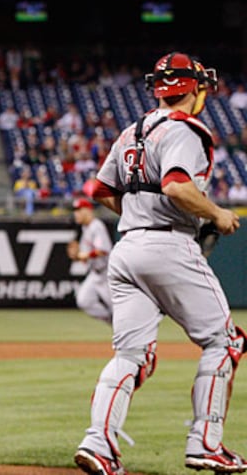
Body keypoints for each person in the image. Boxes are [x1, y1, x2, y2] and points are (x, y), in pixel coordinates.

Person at [75, 52, 245, 475]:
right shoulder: (186, 130)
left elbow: (100, 189)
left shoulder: (132, 131)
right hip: (168, 247)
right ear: (192, 88)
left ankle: (98, 444)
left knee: (130, 354)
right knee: (226, 343)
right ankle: (206, 443)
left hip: (127, 248)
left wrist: (138, 217)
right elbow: (175, 186)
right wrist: (216, 214)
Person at [66, 197, 113, 324]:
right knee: (84, 300)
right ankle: (113, 322)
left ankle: (125, 328)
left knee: (116, 308)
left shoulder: (96, 226)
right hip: (94, 273)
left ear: (88, 210)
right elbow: (85, 256)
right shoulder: (85, 228)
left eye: (79, 210)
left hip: (107, 274)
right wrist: (78, 256)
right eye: (75, 210)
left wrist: (82, 255)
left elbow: (102, 250)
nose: (76, 213)